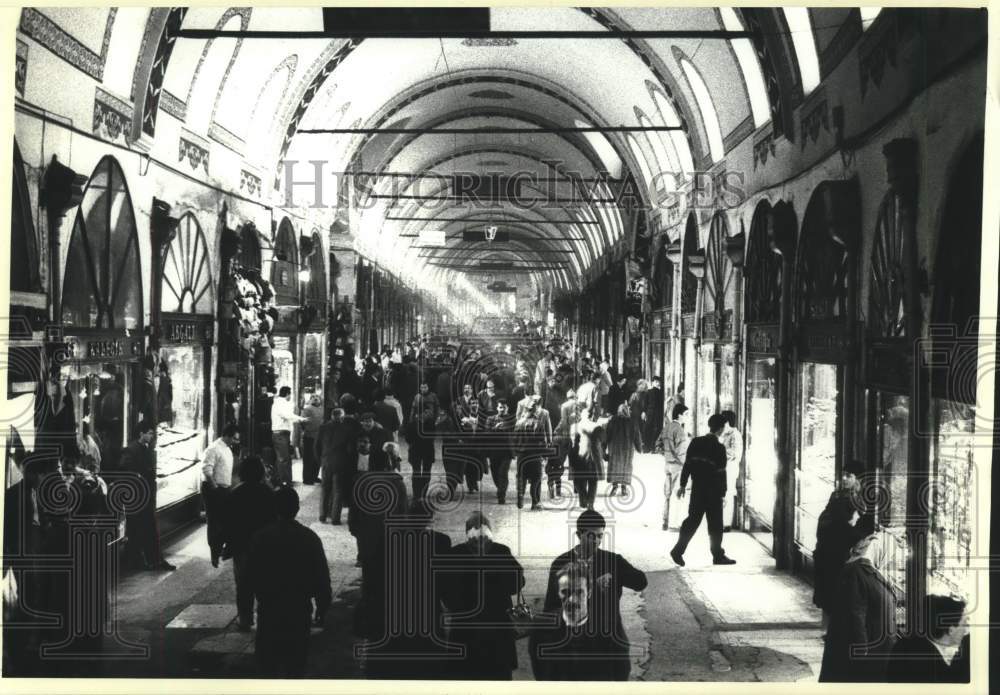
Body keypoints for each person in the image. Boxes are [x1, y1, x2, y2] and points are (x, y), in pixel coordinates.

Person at [540, 511, 648, 681]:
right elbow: (551, 607)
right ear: (578, 535)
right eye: (591, 536)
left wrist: (620, 570)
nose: (596, 541)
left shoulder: (612, 560)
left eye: (600, 536)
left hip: (610, 639)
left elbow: (641, 582)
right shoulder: (561, 563)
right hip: (575, 642)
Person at [363, 500, 454, 679]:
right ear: (430, 518)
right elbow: (446, 583)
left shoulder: (387, 539)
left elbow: (373, 578)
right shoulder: (440, 543)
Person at [248, 486, 331, 678]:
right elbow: (321, 576)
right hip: (298, 610)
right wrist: (322, 607)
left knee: (267, 668)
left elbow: (249, 576)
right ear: (297, 509)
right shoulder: (309, 538)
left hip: (269, 609)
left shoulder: (261, 538)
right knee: (295, 667)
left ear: (274, 508)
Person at [441, 512, 525, 680]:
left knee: (465, 678)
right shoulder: (501, 551)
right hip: (498, 630)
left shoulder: (454, 554)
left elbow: (447, 593)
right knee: (498, 678)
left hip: (465, 631)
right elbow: (517, 584)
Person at [819, 532, 899, 682]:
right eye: (891, 554)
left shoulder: (872, 570)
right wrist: (862, 652)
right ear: (880, 550)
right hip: (868, 651)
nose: (890, 560)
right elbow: (855, 614)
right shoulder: (857, 571)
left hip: (878, 648)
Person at [348, 447, 408, 638]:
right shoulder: (397, 483)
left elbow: (354, 514)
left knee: (370, 582)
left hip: (368, 542)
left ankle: (369, 622)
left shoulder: (360, 482)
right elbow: (403, 513)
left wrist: (358, 534)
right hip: (391, 540)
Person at [669, 413, 736, 566]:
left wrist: (682, 484)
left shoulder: (696, 442)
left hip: (698, 489)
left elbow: (687, 464)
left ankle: (678, 551)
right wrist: (723, 493)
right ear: (720, 429)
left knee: (692, 521)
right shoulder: (719, 448)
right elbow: (721, 473)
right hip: (713, 492)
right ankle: (718, 555)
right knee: (715, 525)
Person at [222, 455, 277, 631]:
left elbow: (227, 523)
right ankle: (265, 617)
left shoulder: (235, 493)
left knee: (243, 585)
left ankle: (245, 619)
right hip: (264, 546)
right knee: (264, 583)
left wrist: (221, 546)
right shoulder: (268, 492)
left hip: (241, 546)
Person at [813, 460, 868, 627]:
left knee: (835, 590)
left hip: (839, 548)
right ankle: (830, 628)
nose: (844, 479)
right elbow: (837, 523)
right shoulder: (838, 496)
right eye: (843, 475)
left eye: (848, 476)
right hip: (833, 548)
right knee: (831, 589)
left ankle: (833, 627)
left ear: (858, 479)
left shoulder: (859, 498)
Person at [120, 421, 176, 571]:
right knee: (138, 529)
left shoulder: (148, 449)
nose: (152, 436)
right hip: (137, 498)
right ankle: (142, 561)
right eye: (150, 433)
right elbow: (127, 472)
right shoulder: (130, 450)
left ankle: (151, 560)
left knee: (146, 529)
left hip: (146, 497)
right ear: (141, 433)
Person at [886, 594, 970, 683]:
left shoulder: (904, 646)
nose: (966, 629)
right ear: (951, 629)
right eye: (964, 623)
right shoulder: (936, 669)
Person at [201, 423, 239, 567]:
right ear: (227, 436)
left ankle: (222, 549)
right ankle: (214, 553)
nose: (237, 442)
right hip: (214, 489)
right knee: (214, 522)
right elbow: (206, 470)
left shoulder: (227, 448)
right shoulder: (213, 448)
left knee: (225, 520)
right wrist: (215, 488)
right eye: (235, 439)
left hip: (224, 489)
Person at [315, 407, 360, 524]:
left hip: (326, 462)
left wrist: (321, 460)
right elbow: (351, 450)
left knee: (325, 489)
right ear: (342, 417)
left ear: (331, 416)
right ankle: (335, 518)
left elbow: (316, 446)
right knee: (338, 491)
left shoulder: (323, 428)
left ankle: (322, 516)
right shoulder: (347, 430)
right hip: (341, 463)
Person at [514, 396, 552, 510]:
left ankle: (520, 495)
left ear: (526, 410)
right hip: (535, 455)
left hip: (522, 455)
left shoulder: (519, 423)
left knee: (521, 476)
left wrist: (517, 451)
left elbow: (514, 439)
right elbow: (543, 441)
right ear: (535, 410)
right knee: (536, 479)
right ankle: (535, 502)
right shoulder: (539, 424)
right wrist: (545, 455)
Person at [657, 404, 691, 531]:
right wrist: (686, 465)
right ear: (680, 415)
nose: (687, 417)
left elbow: (658, 444)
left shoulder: (667, 427)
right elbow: (682, 452)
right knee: (677, 494)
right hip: (678, 465)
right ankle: (674, 524)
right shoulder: (680, 431)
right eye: (686, 414)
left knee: (667, 493)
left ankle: (665, 522)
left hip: (668, 465)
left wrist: (666, 455)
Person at [573, 405, 612, 510]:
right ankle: (590, 503)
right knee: (593, 481)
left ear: (582, 415)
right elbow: (604, 441)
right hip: (594, 457)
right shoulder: (598, 426)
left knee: (580, 481)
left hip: (580, 457)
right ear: (591, 416)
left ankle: (583, 500)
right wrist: (604, 455)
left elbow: (572, 443)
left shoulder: (575, 426)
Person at [270, 386, 306, 486]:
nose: (290, 396)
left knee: (284, 458)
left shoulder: (279, 403)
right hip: (280, 433)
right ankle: (284, 481)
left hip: (281, 433)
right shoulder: (280, 403)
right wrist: (301, 419)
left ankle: (285, 480)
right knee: (283, 459)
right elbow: (287, 415)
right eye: (290, 394)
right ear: (287, 394)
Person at [606, 402, 641, 498]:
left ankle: (614, 486)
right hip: (627, 450)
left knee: (615, 466)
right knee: (626, 466)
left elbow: (607, 435)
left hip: (614, 449)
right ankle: (624, 488)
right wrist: (639, 448)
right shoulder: (632, 422)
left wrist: (604, 447)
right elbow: (637, 436)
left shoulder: (612, 421)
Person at [485, 399, 516, 504]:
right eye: (500, 407)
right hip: (494, 451)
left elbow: (515, 433)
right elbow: (486, 434)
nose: (501, 409)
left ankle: (501, 495)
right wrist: (495, 428)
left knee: (503, 473)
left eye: (504, 407)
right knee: (495, 474)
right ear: (497, 408)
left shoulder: (512, 420)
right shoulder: (490, 419)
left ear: (507, 408)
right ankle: (500, 488)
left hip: (507, 452)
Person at [719, 410, 743, 531]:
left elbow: (735, 453)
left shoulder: (735, 435)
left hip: (730, 468)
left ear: (727, 422)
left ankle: (727, 523)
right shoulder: (724, 434)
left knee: (728, 493)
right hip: (723, 468)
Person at [299, 394, 324, 485]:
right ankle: (307, 478)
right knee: (309, 458)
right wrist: (307, 430)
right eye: (313, 397)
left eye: (317, 397)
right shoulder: (307, 409)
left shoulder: (322, 409)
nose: (316, 398)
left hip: (319, 437)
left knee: (317, 458)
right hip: (309, 436)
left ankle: (314, 476)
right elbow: (302, 421)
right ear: (310, 400)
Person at [643, 376, 664, 453]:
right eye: (656, 382)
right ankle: (651, 447)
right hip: (654, 413)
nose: (657, 383)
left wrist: (644, 412)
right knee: (655, 429)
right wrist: (644, 412)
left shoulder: (649, 392)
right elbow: (645, 404)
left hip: (652, 413)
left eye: (658, 382)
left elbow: (645, 404)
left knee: (649, 429)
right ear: (653, 382)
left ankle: (648, 447)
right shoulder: (658, 392)